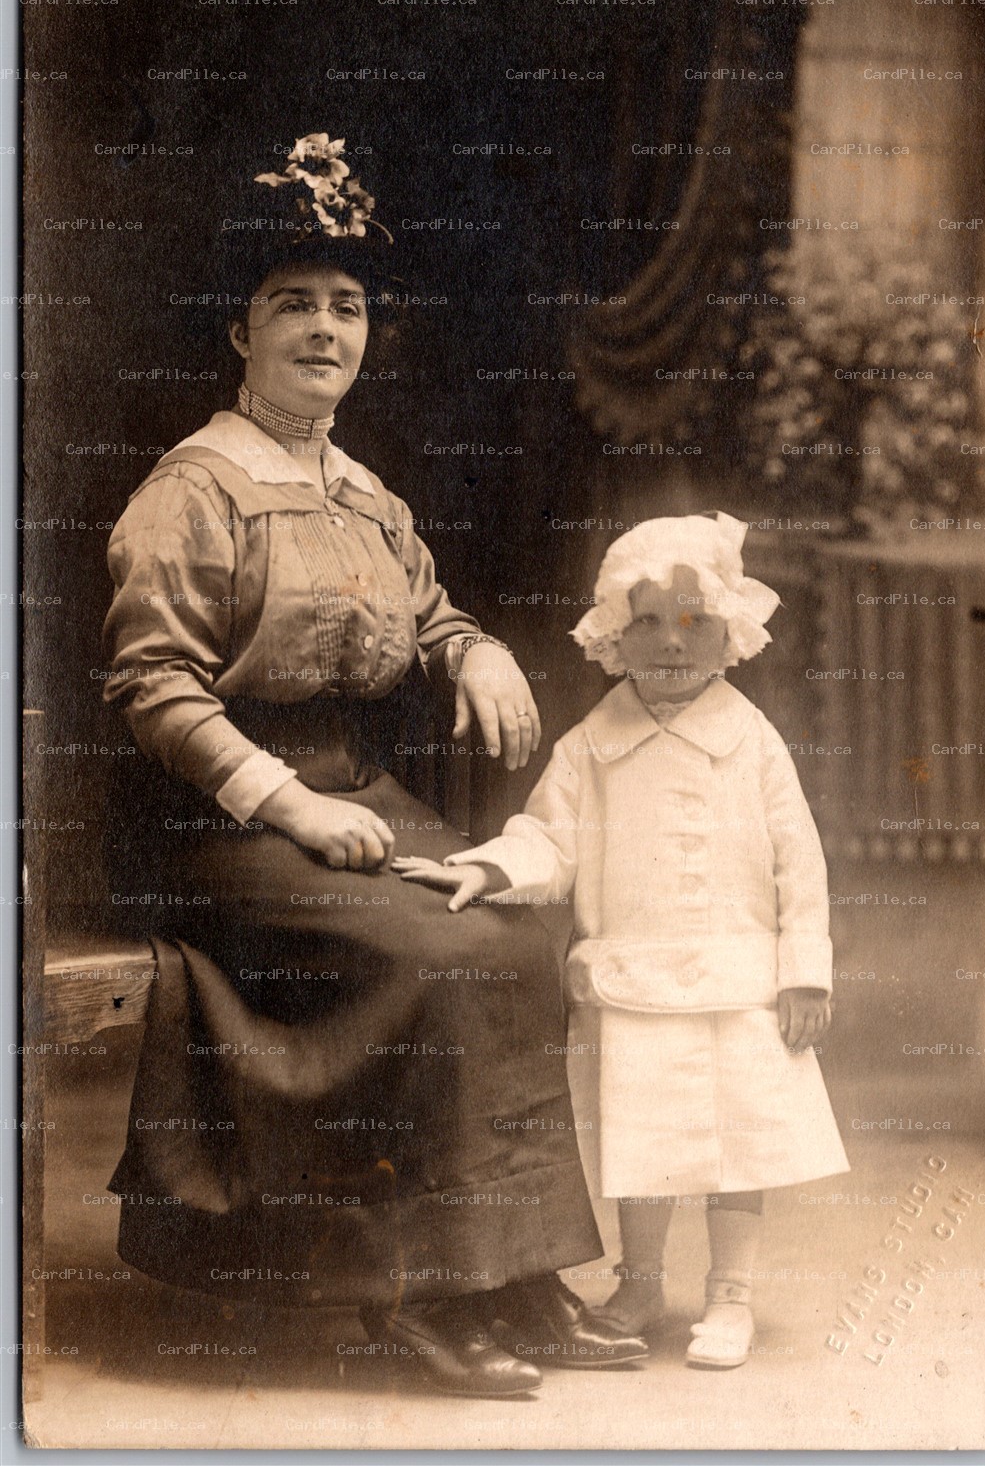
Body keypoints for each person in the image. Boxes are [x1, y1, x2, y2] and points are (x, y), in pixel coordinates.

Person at [100, 133, 646, 1398]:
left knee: (516, 930)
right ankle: (413, 1293)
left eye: (346, 307)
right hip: (226, 820)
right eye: (292, 303)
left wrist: (476, 650)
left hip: (357, 796)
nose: (323, 327)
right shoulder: (193, 489)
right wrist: (287, 800)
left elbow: (428, 609)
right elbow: (151, 686)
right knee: (435, 953)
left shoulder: (364, 494)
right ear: (239, 333)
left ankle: (517, 1271)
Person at [395, 512, 850, 1370]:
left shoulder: (753, 742)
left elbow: (801, 861)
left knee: (735, 1146)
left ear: (730, 633)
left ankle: (731, 1294)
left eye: (694, 620)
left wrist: (804, 973)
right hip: (634, 982)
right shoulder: (591, 747)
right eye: (647, 621)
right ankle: (640, 1283)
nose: (672, 642)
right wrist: (489, 869)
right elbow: (548, 838)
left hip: (738, 982)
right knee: (646, 1142)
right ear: (612, 633)